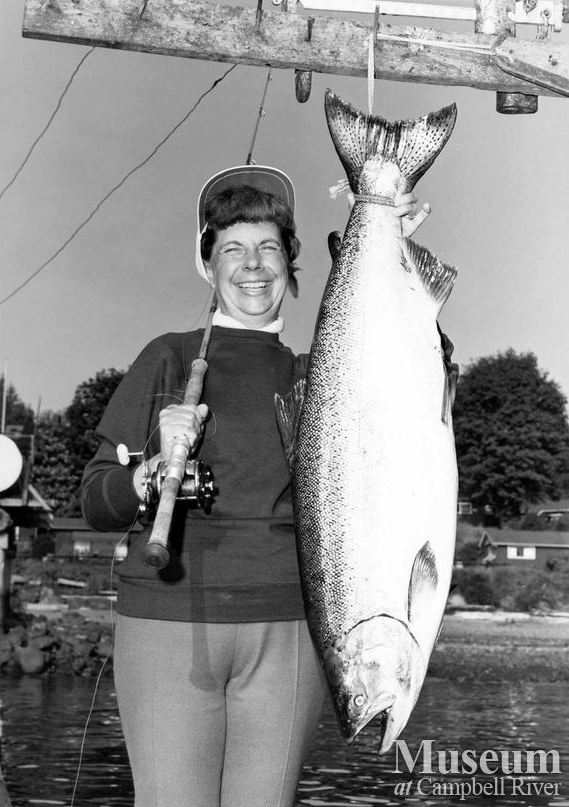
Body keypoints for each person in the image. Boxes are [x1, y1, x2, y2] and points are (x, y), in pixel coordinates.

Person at [81, 164, 438, 807]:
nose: (253, 265)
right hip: (169, 623)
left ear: (292, 263)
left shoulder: (324, 375)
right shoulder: (166, 356)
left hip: (292, 631)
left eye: (270, 247)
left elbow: (422, 379)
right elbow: (94, 499)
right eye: (233, 249)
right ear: (206, 264)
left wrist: (397, 252)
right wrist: (148, 472)